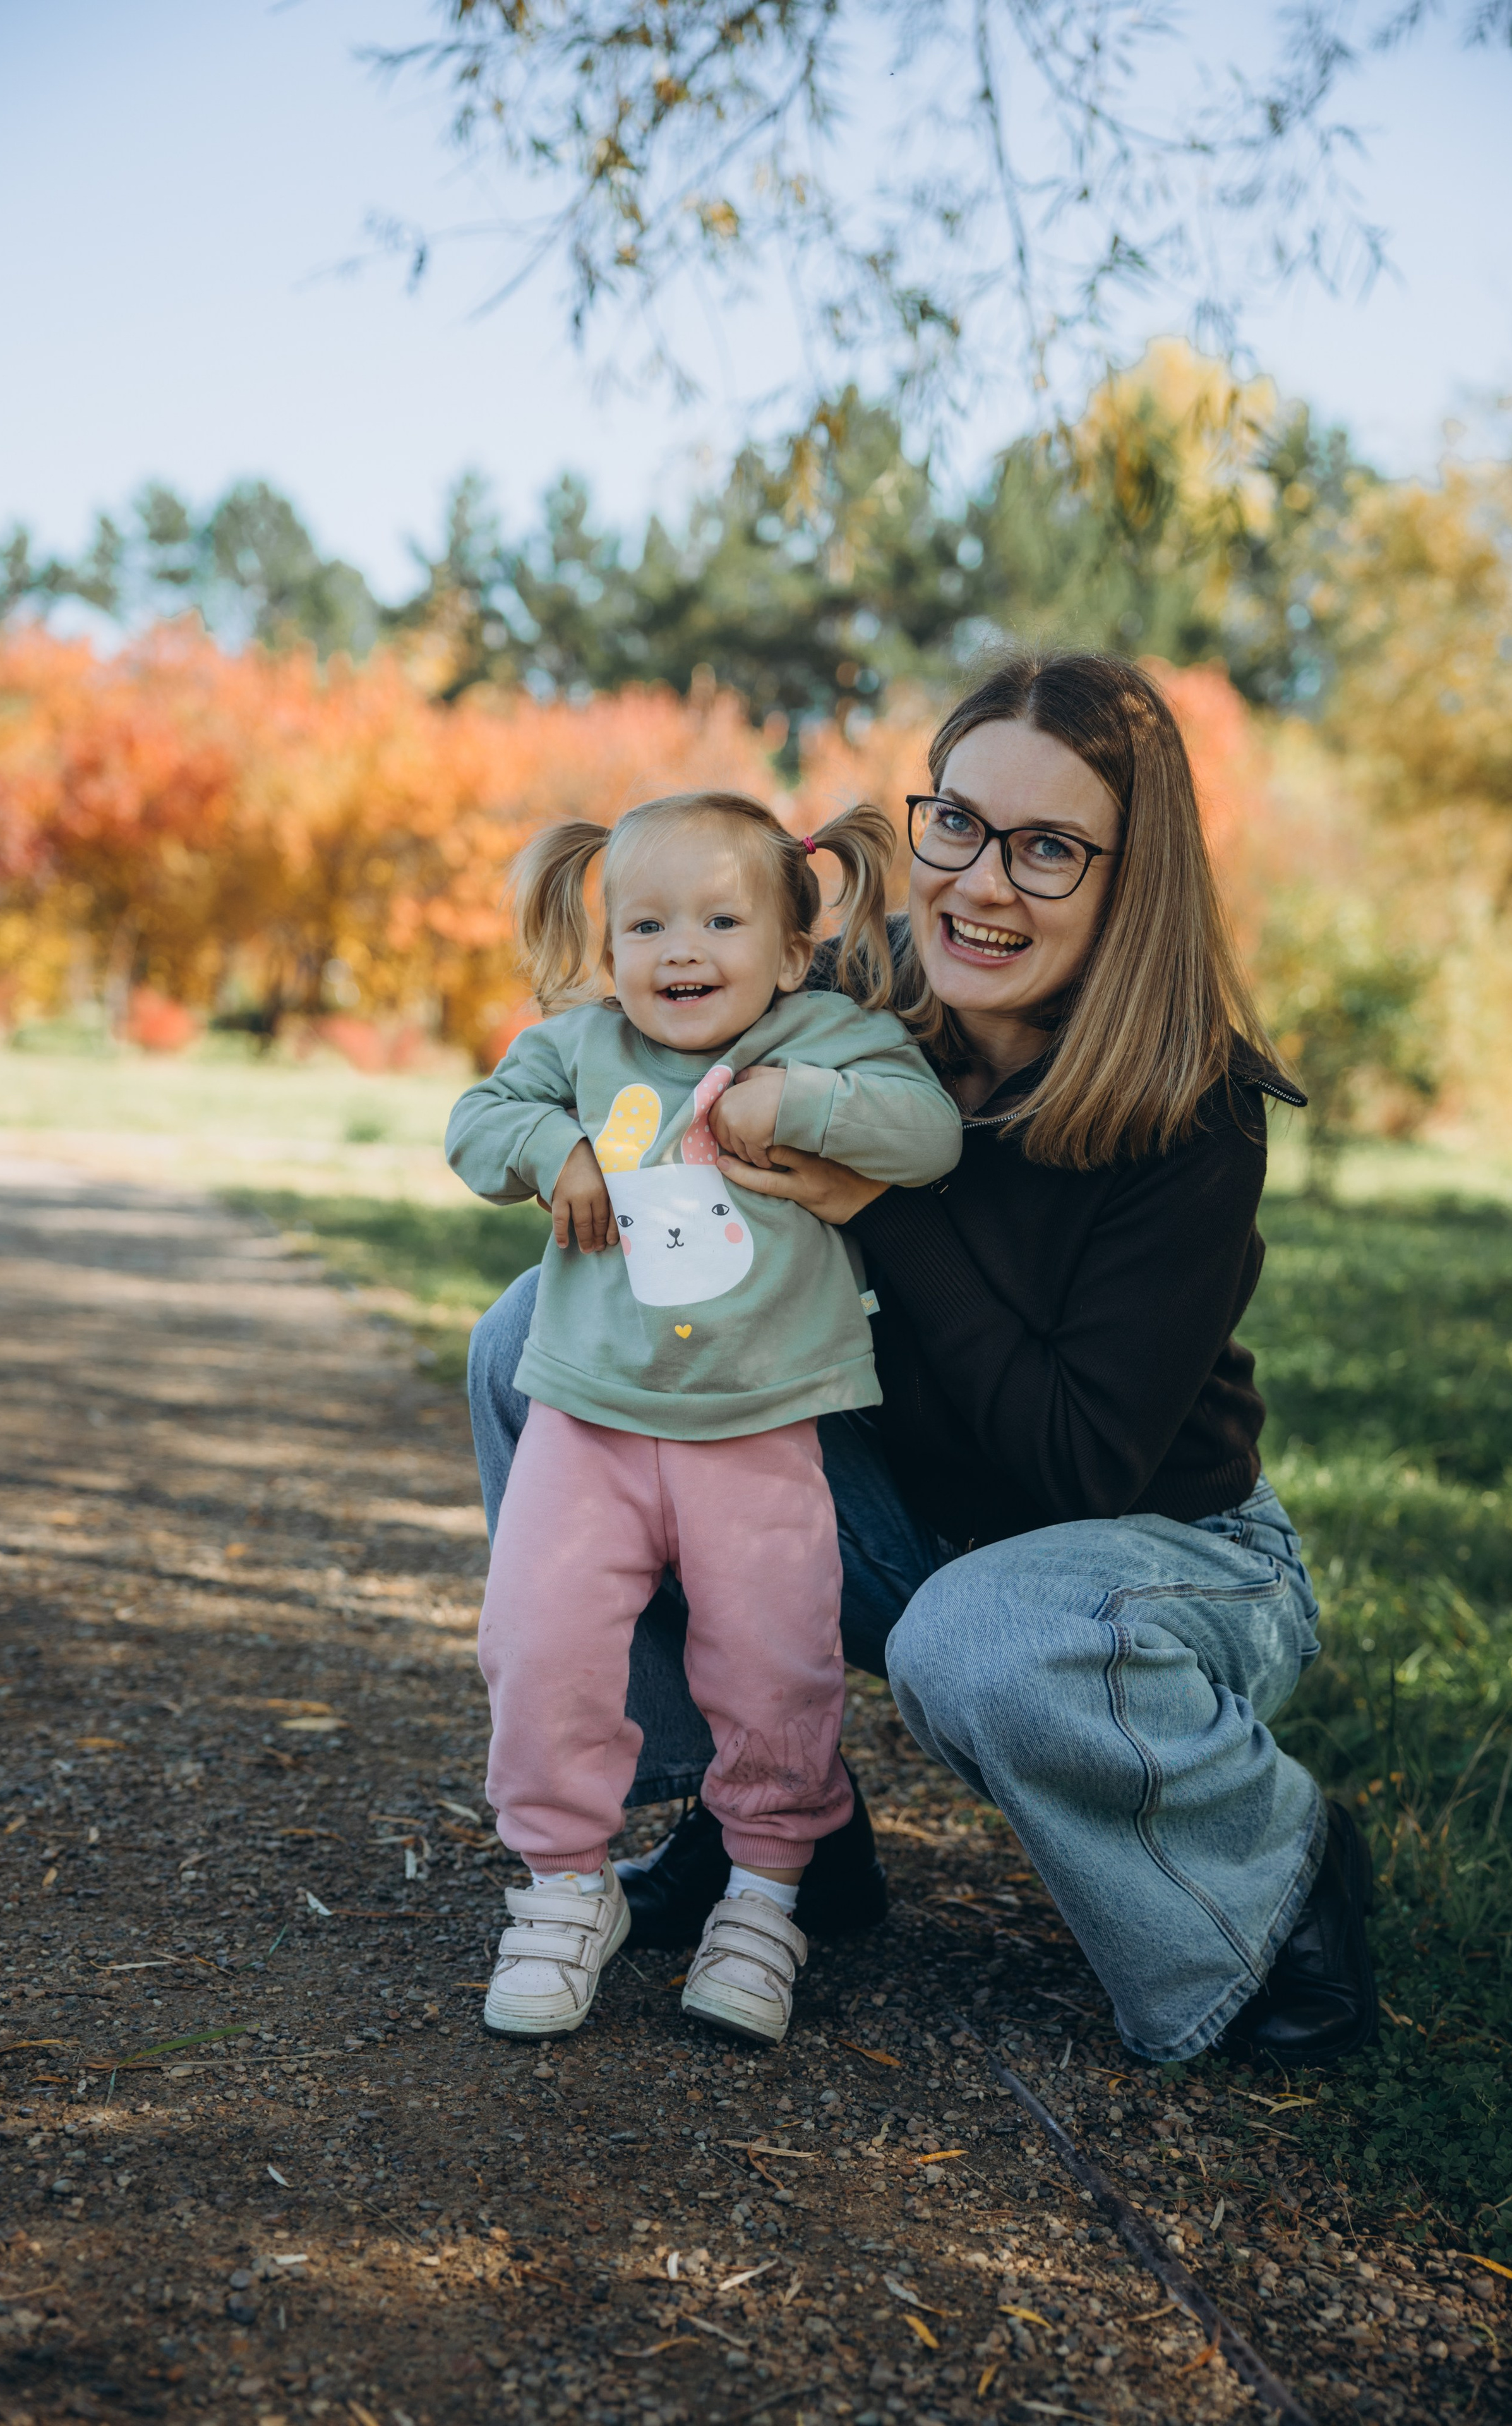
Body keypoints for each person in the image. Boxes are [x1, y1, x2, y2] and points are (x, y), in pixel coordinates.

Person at [469, 655, 1379, 2069]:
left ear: (1130, 882)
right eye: (955, 824)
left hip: (1149, 1553)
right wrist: (568, 1147)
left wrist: (890, 1207)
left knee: (976, 1632)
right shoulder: (848, 997)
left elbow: (1075, 1464)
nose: (980, 883)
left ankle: (1281, 1883)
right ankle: (770, 1822)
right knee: (535, 1343)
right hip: (913, 1507)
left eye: (1048, 849)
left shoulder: (1191, 1112)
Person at [448, 790, 963, 2045]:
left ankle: (764, 1893)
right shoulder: (577, 1048)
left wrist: (791, 1105)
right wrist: (555, 1154)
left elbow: (929, 1134)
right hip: (589, 1421)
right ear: (608, 944)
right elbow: (475, 1122)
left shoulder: (828, 1038)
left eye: (719, 921)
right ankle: (567, 1888)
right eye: (644, 925)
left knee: (771, 1663)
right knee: (544, 1641)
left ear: (792, 947)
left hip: (763, 1436)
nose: (678, 950)